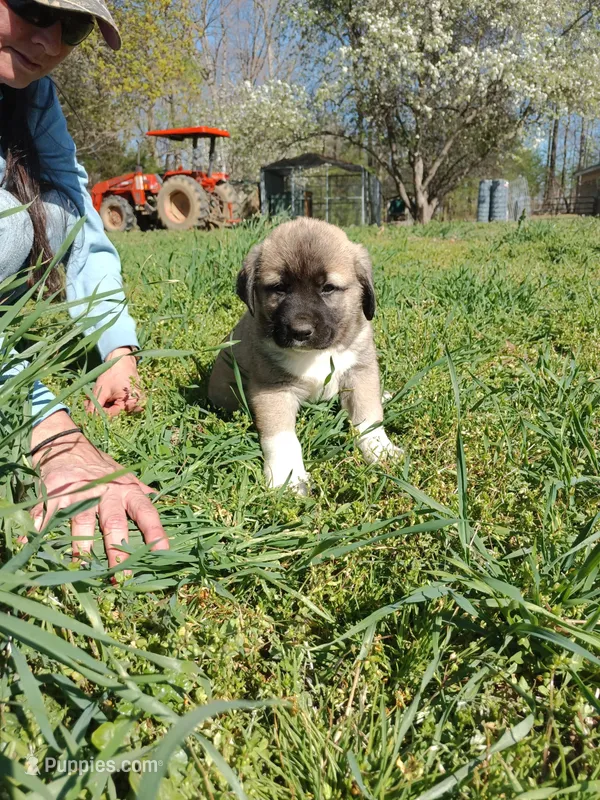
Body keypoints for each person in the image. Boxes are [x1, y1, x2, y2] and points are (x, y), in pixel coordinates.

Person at [0, 0, 169, 568]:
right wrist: (50, 429)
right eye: (31, 7)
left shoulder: (31, 91)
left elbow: (78, 206)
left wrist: (115, 346)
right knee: (11, 223)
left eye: (70, 26)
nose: (48, 39)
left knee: (52, 210)